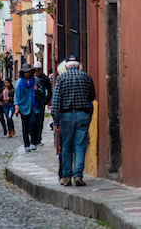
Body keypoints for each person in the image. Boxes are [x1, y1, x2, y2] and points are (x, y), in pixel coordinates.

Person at [51, 55, 96, 187]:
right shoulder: (87, 78)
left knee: (66, 147)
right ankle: (78, 175)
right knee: (80, 146)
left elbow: (56, 101)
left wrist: (56, 121)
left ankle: (66, 176)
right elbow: (92, 96)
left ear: (66, 66)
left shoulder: (61, 78)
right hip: (83, 115)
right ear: (78, 66)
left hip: (66, 116)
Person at [14, 63, 41, 152]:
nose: (27, 74)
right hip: (23, 106)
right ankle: (26, 144)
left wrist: (37, 89)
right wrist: (16, 107)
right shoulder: (20, 82)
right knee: (25, 126)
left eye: (28, 72)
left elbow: (42, 90)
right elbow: (16, 95)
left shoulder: (36, 80)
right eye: (25, 72)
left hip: (33, 106)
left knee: (33, 123)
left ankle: (33, 141)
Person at [33, 61, 52, 146]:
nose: (37, 72)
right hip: (33, 102)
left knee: (40, 120)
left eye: (38, 70)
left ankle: (38, 138)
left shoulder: (45, 79)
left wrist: (46, 100)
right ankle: (33, 137)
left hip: (41, 102)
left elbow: (49, 90)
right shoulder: (32, 79)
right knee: (33, 120)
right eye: (35, 70)